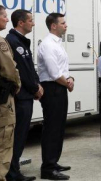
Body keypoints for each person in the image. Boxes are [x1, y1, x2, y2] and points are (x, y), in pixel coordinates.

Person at [6, 10, 44, 181]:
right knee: (18, 135)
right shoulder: (13, 41)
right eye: (30, 20)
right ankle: (12, 173)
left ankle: (14, 171)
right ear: (21, 23)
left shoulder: (21, 41)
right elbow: (20, 71)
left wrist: (37, 84)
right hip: (21, 96)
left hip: (27, 94)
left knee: (21, 135)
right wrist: (34, 87)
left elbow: (30, 67)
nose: (33, 23)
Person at [38, 13, 74, 180]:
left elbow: (63, 68)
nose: (66, 25)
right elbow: (53, 73)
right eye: (63, 23)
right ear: (53, 25)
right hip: (52, 88)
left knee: (59, 128)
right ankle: (48, 168)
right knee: (52, 129)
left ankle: (53, 162)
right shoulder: (48, 44)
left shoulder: (58, 43)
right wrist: (67, 83)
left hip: (59, 87)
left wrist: (70, 79)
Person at [0, 4, 21, 181]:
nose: (7, 19)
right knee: (1, 144)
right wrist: (17, 86)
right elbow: (9, 70)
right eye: (4, 16)